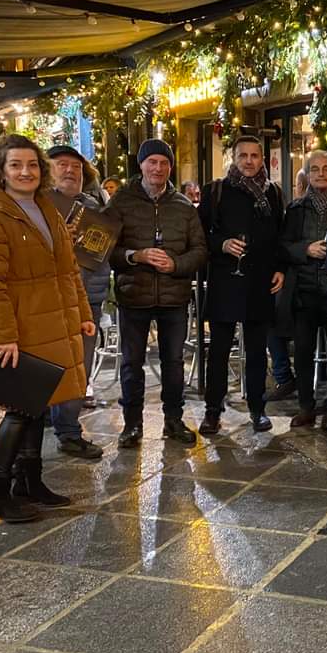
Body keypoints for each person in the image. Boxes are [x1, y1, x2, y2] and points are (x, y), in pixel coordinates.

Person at [0, 135, 93, 521]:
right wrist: (3, 335)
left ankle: (29, 482)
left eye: (32, 164)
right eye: (16, 165)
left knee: (37, 406)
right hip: (17, 330)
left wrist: (82, 313)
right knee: (18, 411)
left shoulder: (44, 208)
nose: (25, 172)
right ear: (1, 170)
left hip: (48, 323)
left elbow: (68, 269)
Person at [108, 139, 208, 448]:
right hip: (133, 295)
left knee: (174, 363)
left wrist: (176, 264)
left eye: (164, 163)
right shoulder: (120, 202)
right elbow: (105, 249)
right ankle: (132, 425)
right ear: (141, 165)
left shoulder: (183, 206)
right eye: (151, 161)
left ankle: (173, 420)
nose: (158, 168)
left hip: (173, 297)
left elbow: (200, 251)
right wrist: (134, 256)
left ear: (171, 167)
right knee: (131, 364)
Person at [198, 136, 285, 435]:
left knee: (258, 352)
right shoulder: (216, 191)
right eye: (243, 155)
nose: (249, 161)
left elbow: (279, 236)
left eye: (254, 156)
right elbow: (199, 235)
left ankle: (258, 409)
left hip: (260, 281)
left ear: (262, 159)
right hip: (225, 281)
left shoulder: (273, 193)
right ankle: (213, 411)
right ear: (233, 159)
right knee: (219, 351)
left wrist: (280, 269)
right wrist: (221, 244)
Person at [278, 150, 327, 429]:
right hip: (305, 291)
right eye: (315, 169)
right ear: (307, 175)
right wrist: (305, 249)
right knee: (302, 353)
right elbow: (283, 246)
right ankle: (306, 407)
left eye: (326, 169)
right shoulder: (296, 209)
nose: (321, 174)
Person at [45, 145, 112, 459]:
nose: (71, 171)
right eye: (62, 164)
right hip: (47, 302)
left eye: (76, 166)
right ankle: (43, 419)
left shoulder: (93, 206)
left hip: (87, 301)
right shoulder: (37, 206)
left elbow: (101, 254)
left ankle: (69, 431)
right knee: (47, 364)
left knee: (79, 368)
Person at [264, 165, 312, 401]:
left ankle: (284, 375)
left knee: (271, 317)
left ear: (301, 186)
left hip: (299, 286)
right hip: (291, 281)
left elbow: (284, 248)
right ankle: (287, 376)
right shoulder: (293, 211)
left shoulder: (295, 211)